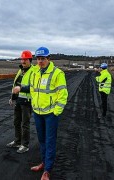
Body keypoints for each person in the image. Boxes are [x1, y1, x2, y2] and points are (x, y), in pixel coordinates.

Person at [29, 47, 68, 180]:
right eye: (38, 59)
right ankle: (44, 163)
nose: (40, 61)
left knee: (50, 141)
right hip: (38, 112)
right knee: (41, 140)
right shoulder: (35, 72)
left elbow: (63, 95)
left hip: (51, 114)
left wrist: (56, 112)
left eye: (43, 58)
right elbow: (33, 90)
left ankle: (47, 170)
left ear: (48, 59)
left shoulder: (57, 73)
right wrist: (34, 106)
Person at [6, 50, 35, 153]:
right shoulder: (21, 70)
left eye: (25, 59)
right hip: (18, 100)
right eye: (22, 59)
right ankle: (17, 141)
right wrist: (13, 98)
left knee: (25, 124)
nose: (23, 61)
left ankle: (25, 145)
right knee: (16, 122)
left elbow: (34, 87)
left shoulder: (34, 71)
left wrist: (21, 89)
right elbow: (15, 85)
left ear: (30, 60)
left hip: (27, 101)